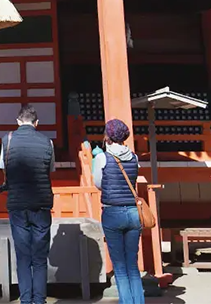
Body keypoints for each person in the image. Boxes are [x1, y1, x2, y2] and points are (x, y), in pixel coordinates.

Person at [0, 105, 55, 304]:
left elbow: (4, 168)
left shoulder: (8, 140)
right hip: (41, 203)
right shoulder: (47, 142)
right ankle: (39, 300)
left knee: (23, 256)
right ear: (36, 123)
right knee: (39, 258)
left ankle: (25, 299)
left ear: (18, 121)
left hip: (17, 203)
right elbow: (50, 169)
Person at [92, 118, 145, 304]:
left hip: (112, 212)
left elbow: (98, 184)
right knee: (132, 264)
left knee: (120, 267)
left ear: (108, 136)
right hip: (132, 212)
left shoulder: (101, 158)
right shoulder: (134, 157)